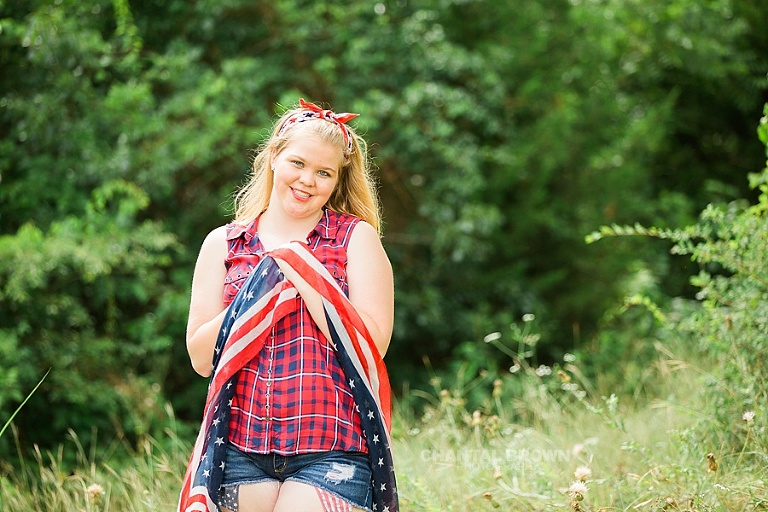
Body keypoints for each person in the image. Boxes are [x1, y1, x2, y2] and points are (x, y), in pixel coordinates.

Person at [179, 99, 398, 512]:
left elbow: (372, 347)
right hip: (239, 447)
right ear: (274, 158)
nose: (307, 180)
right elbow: (200, 357)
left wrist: (304, 271)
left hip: (333, 446)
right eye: (297, 163)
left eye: (324, 172)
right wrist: (266, 284)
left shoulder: (355, 239)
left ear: (336, 181)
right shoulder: (223, 244)